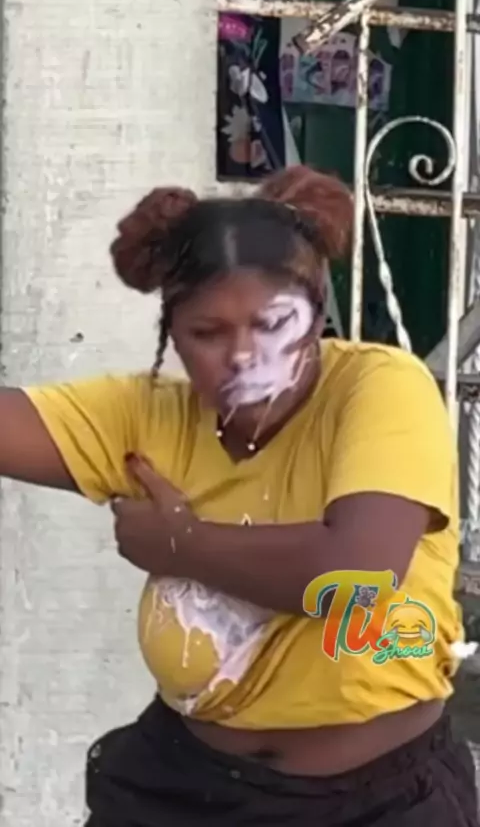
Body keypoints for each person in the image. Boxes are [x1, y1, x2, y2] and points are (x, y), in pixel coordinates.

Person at [0, 164, 477, 826]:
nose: (245, 355)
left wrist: (178, 543)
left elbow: (357, 575)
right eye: (208, 333)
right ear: (172, 334)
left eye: (273, 323)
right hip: (182, 789)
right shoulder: (151, 415)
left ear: (317, 314)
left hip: (375, 803)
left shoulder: (378, 388)